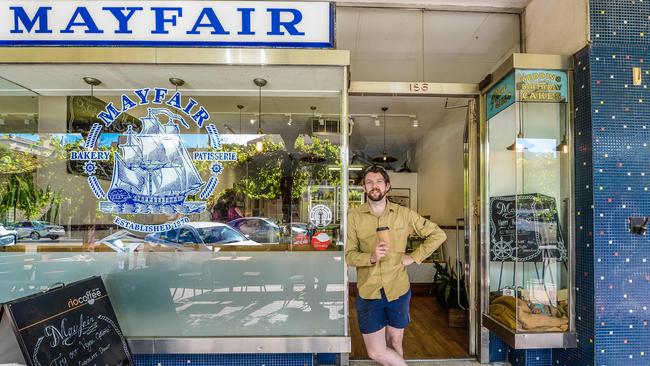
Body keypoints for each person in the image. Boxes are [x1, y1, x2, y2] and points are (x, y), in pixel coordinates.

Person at [345, 165, 447, 366]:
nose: (374, 186)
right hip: (369, 291)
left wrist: (413, 257)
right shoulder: (354, 217)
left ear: (387, 186)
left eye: (379, 182)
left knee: (395, 340)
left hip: (398, 289)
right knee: (376, 351)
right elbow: (348, 256)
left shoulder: (404, 214)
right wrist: (371, 257)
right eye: (369, 182)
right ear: (364, 188)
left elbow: (438, 234)